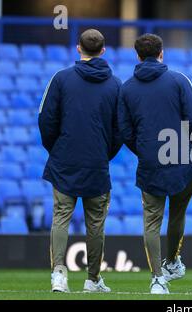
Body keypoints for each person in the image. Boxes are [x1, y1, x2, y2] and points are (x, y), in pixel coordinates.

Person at [118, 34, 192, 294]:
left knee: (151, 222)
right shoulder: (179, 80)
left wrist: (144, 149)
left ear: (138, 55)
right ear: (162, 53)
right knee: (177, 215)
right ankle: (173, 262)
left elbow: (124, 130)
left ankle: (157, 279)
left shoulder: (127, 87)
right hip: (182, 161)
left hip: (150, 162)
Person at [38, 29, 122, 293]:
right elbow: (120, 129)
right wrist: (103, 152)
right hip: (97, 161)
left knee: (61, 217)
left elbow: (46, 120)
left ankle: (59, 276)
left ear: (78, 48)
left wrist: (58, 149)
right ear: (103, 50)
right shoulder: (115, 84)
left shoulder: (61, 78)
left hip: (65, 160)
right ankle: (93, 279)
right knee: (96, 223)